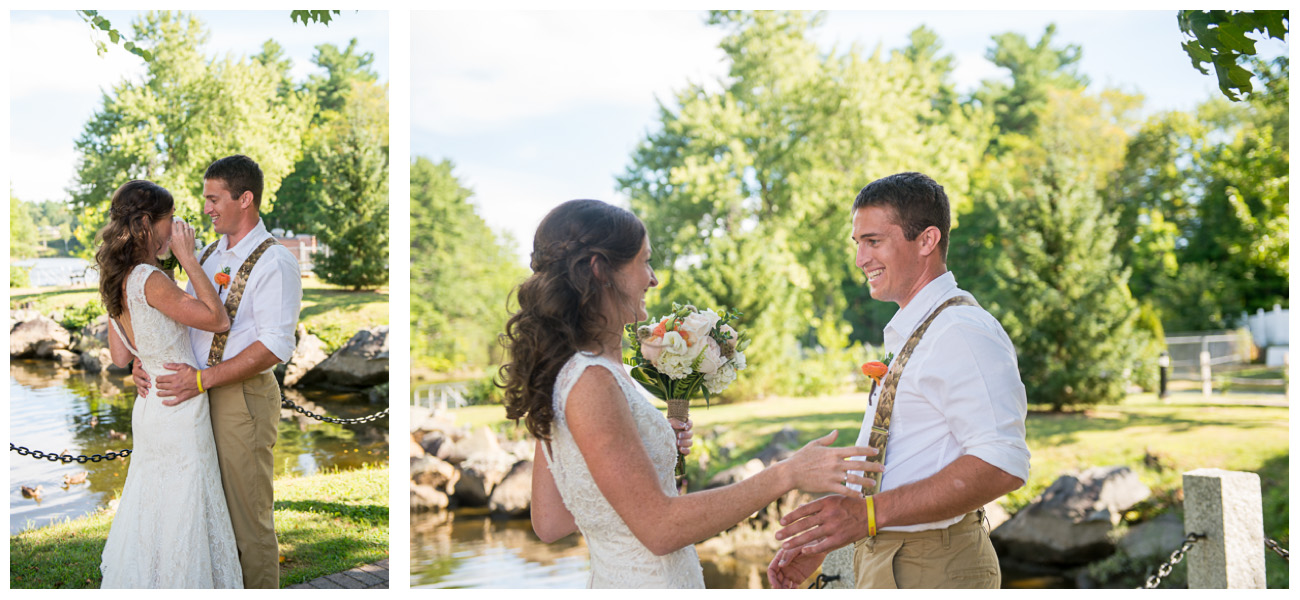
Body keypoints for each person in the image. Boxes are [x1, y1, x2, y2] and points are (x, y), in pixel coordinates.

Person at [499, 199, 881, 588]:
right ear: (600, 271)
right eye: (644, 262)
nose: (653, 279)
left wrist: (647, 450)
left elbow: (551, 521)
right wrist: (787, 473)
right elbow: (661, 529)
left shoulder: (566, 374)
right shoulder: (593, 379)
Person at [768, 172, 1031, 589]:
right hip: (890, 555)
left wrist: (869, 516)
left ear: (926, 241)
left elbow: (1002, 464)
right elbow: (907, 456)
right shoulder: (917, 328)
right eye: (858, 244)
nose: (860, 258)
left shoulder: (962, 330)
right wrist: (828, 540)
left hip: (936, 564)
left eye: (873, 241)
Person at [133, 155, 303, 589]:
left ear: (245, 199)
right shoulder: (206, 253)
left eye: (214, 198)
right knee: (208, 517)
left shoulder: (275, 261)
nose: (205, 208)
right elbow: (179, 318)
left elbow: (274, 347)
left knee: (248, 523)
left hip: (240, 398)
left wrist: (201, 380)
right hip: (192, 398)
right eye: (205, 198)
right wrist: (143, 359)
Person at [97, 180, 242, 588]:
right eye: (169, 220)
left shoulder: (116, 277)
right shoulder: (148, 277)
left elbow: (122, 357)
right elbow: (218, 320)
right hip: (178, 409)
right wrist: (189, 259)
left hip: (150, 408)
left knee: (155, 510)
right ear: (146, 223)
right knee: (184, 512)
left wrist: (145, 359)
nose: (175, 228)